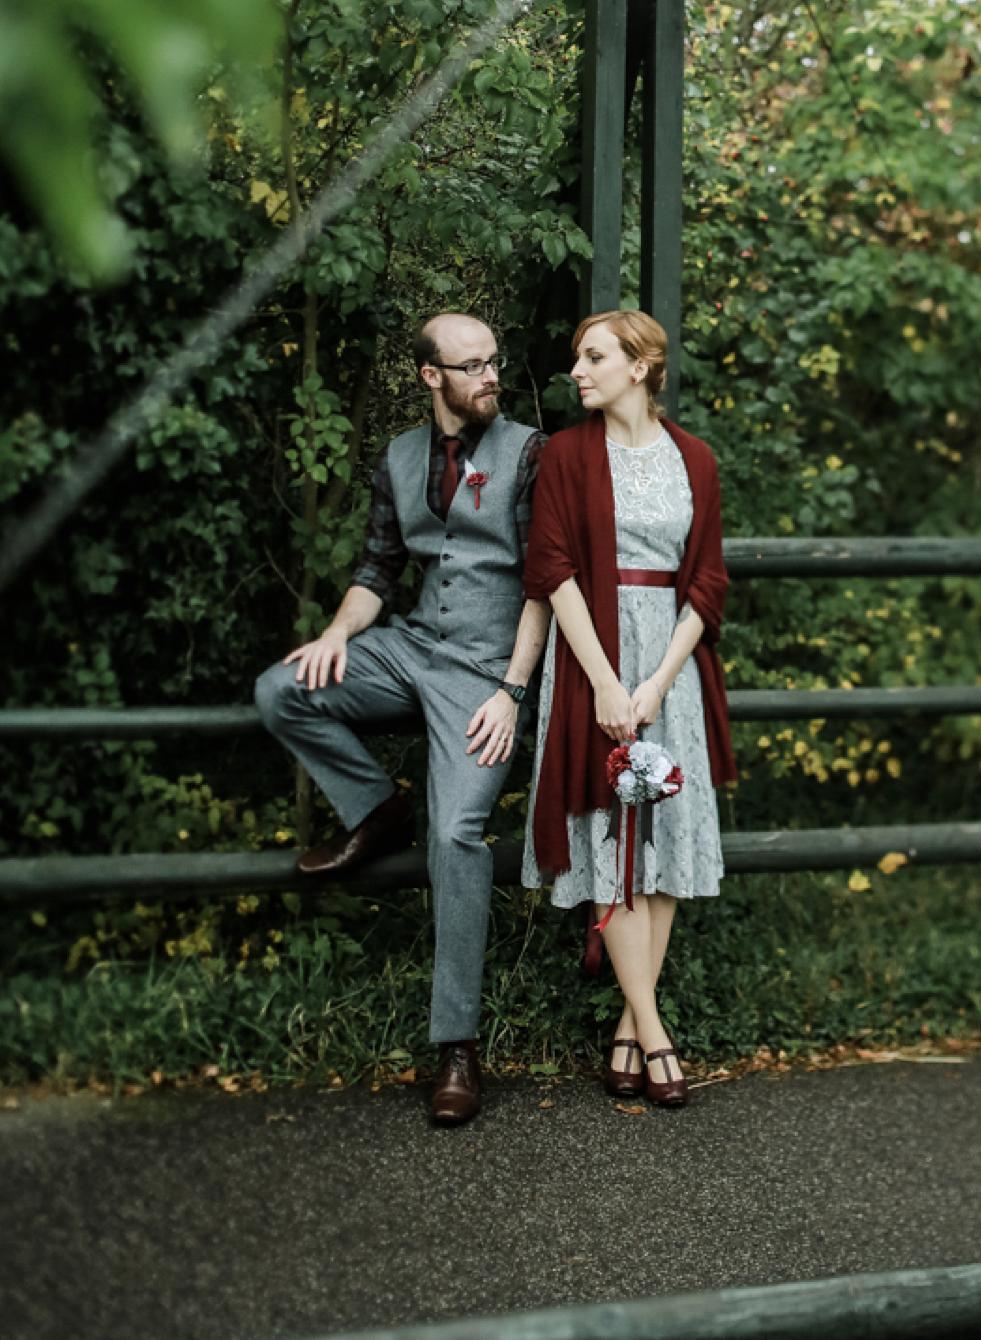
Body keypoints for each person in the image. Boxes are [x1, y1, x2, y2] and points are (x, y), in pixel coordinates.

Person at [255, 313, 550, 1126]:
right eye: (474, 365)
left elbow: (545, 582)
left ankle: (456, 1046)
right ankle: (374, 810)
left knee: (456, 832)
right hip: (413, 647)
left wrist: (513, 689)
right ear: (431, 377)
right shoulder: (397, 456)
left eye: (496, 361)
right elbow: (378, 567)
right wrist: (337, 634)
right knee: (283, 690)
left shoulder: (530, 452)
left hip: (488, 671)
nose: (492, 374)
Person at [521, 310, 735, 1108]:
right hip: (593, 662)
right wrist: (609, 684)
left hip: (670, 668)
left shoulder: (696, 461)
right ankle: (654, 1033)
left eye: (594, 356)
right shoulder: (567, 455)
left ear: (640, 366)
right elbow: (552, 567)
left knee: (666, 835)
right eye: (577, 355)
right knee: (611, 839)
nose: (578, 369)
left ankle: (625, 1027)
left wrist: (656, 682)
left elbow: (706, 582)